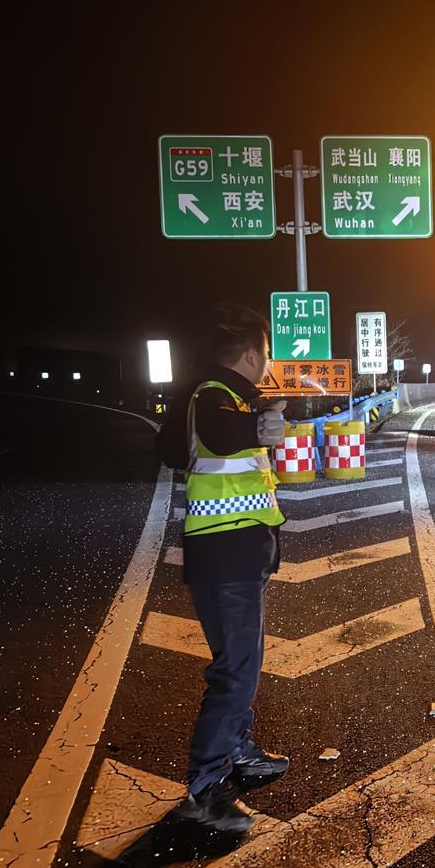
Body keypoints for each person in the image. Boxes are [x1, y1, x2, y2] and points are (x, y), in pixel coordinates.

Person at [154, 305, 290, 834]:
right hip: (228, 555)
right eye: (267, 352)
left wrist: (254, 419)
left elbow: (170, 448)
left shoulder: (202, 396)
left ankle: (237, 752)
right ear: (252, 353)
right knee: (235, 670)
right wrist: (258, 425)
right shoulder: (213, 397)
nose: (268, 362)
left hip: (229, 553)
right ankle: (204, 790)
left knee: (241, 664)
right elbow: (219, 431)